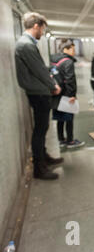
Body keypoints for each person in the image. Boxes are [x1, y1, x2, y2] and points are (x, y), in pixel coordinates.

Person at [15, 12, 63, 180]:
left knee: (42, 129)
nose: (42, 32)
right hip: (39, 92)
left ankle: (44, 158)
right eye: (42, 29)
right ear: (36, 26)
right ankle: (39, 168)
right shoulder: (26, 45)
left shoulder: (26, 43)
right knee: (40, 130)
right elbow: (39, 69)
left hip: (37, 91)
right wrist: (53, 85)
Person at [50, 39, 85, 149]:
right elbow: (70, 79)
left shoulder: (53, 59)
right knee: (69, 118)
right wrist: (72, 95)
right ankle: (70, 141)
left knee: (60, 118)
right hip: (66, 94)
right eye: (72, 49)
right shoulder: (68, 62)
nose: (74, 52)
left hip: (56, 93)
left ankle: (61, 139)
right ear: (65, 49)